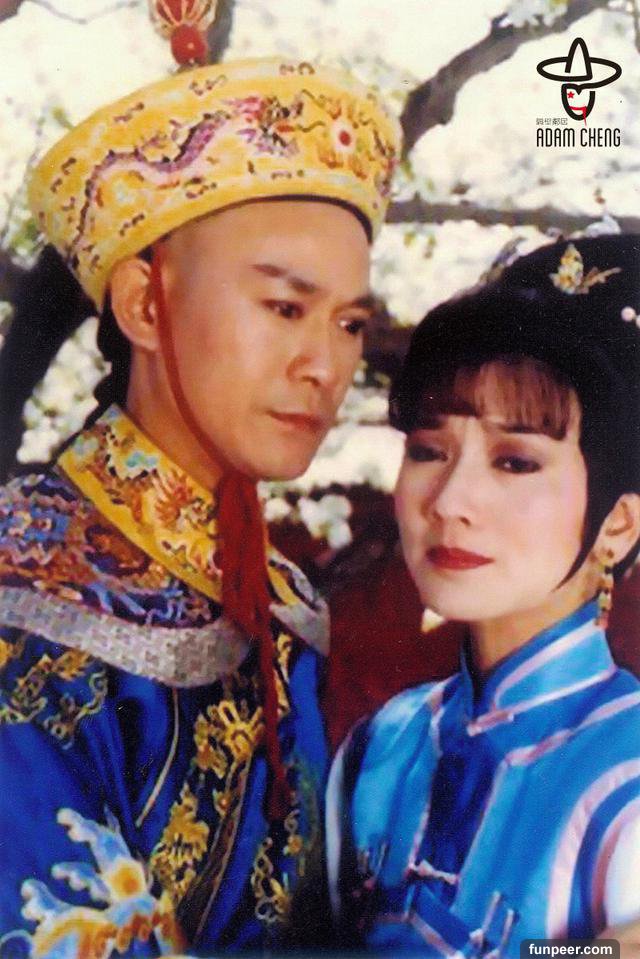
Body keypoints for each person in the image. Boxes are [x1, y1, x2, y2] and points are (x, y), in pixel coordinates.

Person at [0, 57, 400, 957]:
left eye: (348, 323)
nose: (325, 366)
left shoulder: (284, 599)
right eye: (285, 307)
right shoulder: (23, 599)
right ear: (146, 303)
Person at [327, 234, 640, 954]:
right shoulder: (380, 747)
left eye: (515, 461)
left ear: (619, 524)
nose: (450, 501)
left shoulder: (627, 774)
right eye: (428, 451)